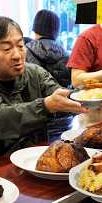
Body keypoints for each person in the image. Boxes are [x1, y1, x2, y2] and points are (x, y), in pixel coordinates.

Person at [0, 16, 87, 168]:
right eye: (7, 49)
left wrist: (97, 94)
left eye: (20, 45)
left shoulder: (35, 73)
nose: (17, 55)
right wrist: (46, 106)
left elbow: (62, 97)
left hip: (32, 165)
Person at [24, 9, 73, 142]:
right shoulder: (67, 54)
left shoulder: (25, 52)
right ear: (56, 30)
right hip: (65, 120)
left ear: (35, 27)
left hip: (36, 119)